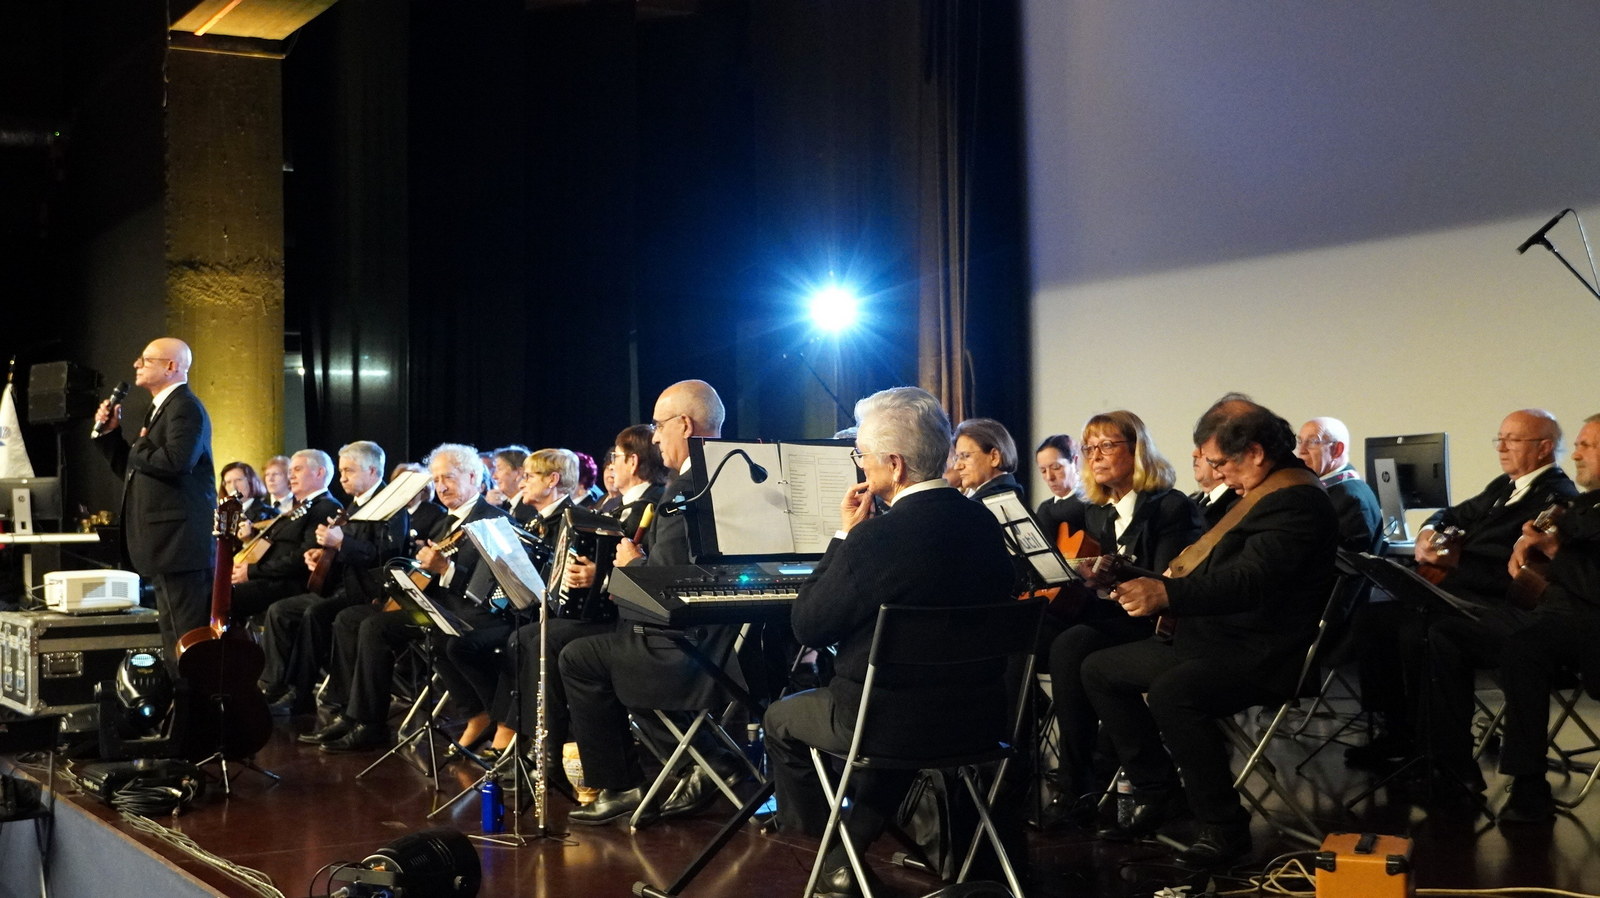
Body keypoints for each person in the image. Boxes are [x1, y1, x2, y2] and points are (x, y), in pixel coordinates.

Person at [763, 386, 1015, 897]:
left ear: (894, 465)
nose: (860, 465)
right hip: (980, 721)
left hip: (886, 724)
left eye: (863, 456)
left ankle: (826, 847)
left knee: (780, 719)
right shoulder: (986, 524)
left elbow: (809, 625)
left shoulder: (876, 539)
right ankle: (847, 856)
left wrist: (844, 537)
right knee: (903, 718)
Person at [1080, 396, 1338, 867]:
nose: (1216, 473)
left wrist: (1167, 596)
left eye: (1220, 463)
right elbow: (1212, 573)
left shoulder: (1296, 499)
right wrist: (1135, 577)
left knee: (1174, 692)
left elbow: (1250, 583)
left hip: (1264, 653)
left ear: (1255, 452)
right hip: (1217, 640)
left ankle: (1224, 828)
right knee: (1099, 669)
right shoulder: (1261, 492)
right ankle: (1159, 791)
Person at [563, 380, 746, 825]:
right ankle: (704, 760)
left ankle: (626, 784)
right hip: (738, 642)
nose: (657, 438)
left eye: (660, 426)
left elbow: (667, 587)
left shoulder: (686, 488)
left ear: (685, 424)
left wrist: (634, 564)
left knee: (578, 658)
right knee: (607, 648)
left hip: (691, 647)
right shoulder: (739, 472)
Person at [1386, 410, 1579, 797]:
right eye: (1500, 438)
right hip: (1466, 593)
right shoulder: (1504, 487)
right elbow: (1452, 513)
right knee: (1382, 621)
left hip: (1496, 604)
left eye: (1513, 440)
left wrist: (1455, 564)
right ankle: (1408, 743)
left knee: (1423, 630)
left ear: (1544, 447)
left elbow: (1518, 574)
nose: (1501, 447)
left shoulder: (1557, 497)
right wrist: (1428, 532)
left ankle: (1447, 761)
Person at [1044, 411, 1201, 823]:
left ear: (1137, 450)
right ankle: (1071, 781)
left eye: (1107, 445)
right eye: (1089, 448)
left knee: (1073, 645)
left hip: (1158, 623)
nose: (1095, 456)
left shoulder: (1170, 506)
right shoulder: (1097, 512)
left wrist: (1114, 573)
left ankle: (1080, 782)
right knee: (1052, 637)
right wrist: (1089, 577)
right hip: (1116, 616)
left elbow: (1167, 583)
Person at [307, 443, 510, 752]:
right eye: (436, 479)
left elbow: (490, 590)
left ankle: (376, 724)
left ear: (472, 477)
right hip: (436, 607)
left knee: (377, 627)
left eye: (449, 477)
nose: (441, 486)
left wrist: (445, 569)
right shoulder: (445, 522)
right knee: (354, 619)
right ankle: (355, 716)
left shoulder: (492, 520)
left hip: (470, 613)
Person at [1497, 413, 1600, 822]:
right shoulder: (1583, 505)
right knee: (1446, 629)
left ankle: (1529, 786)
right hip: (1555, 618)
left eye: (1587, 446)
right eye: (1577, 445)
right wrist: (1530, 546)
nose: (1574, 455)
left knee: (1523, 648)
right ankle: (1446, 768)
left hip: (1589, 630)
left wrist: (1555, 553)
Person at [92, 337, 216, 670]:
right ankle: (182, 696)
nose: (136, 364)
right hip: (164, 546)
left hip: (179, 546)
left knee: (185, 639)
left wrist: (140, 446)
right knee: (173, 636)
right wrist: (111, 436)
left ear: (171, 366)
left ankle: (192, 699)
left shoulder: (185, 407)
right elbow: (137, 471)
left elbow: (177, 461)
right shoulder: (162, 407)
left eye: (146, 360)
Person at [258, 441, 405, 714]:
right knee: (282, 610)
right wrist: (322, 556)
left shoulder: (390, 506)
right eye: (341, 471)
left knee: (317, 614)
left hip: (370, 593)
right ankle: (281, 686)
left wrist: (340, 544)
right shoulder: (354, 505)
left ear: (372, 471)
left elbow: (385, 556)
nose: (342, 478)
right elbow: (346, 552)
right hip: (345, 587)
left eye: (349, 471)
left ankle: (316, 697)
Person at [229, 449, 343, 619]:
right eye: (290, 471)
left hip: (291, 583)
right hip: (272, 578)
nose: (291, 476)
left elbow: (303, 556)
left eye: (297, 469)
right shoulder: (302, 507)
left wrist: (252, 571)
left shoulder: (326, 506)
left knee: (224, 596)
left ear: (320, 472)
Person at [1294, 417, 1382, 553]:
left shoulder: (1350, 498)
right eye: (1300, 441)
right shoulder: (1326, 489)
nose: (1302, 450)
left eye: (1313, 441)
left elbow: (1347, 560)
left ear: (1337, 450)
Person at [951, 417, 1024, 502]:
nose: (957, 467)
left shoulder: (994, 502)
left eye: (966, 456)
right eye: (957, 458)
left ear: (994, 457)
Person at [1034, 433, 1087, 539]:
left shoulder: (1091, 499)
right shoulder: (1046, 507)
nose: (1049, 477)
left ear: (1075, 462)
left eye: (1056, 467)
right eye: (1043, 471)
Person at [1189, 445, 1238, 529]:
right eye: (1196, 447)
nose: (1194, 454)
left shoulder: (1237, 504)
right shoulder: (1188, 502)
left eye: (1203, 448)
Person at [219, 461, 277, 525]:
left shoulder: (269, 514)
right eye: (228, 482)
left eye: (238, 480)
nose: (233, 487)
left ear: (251, 481)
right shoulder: (222, 515)